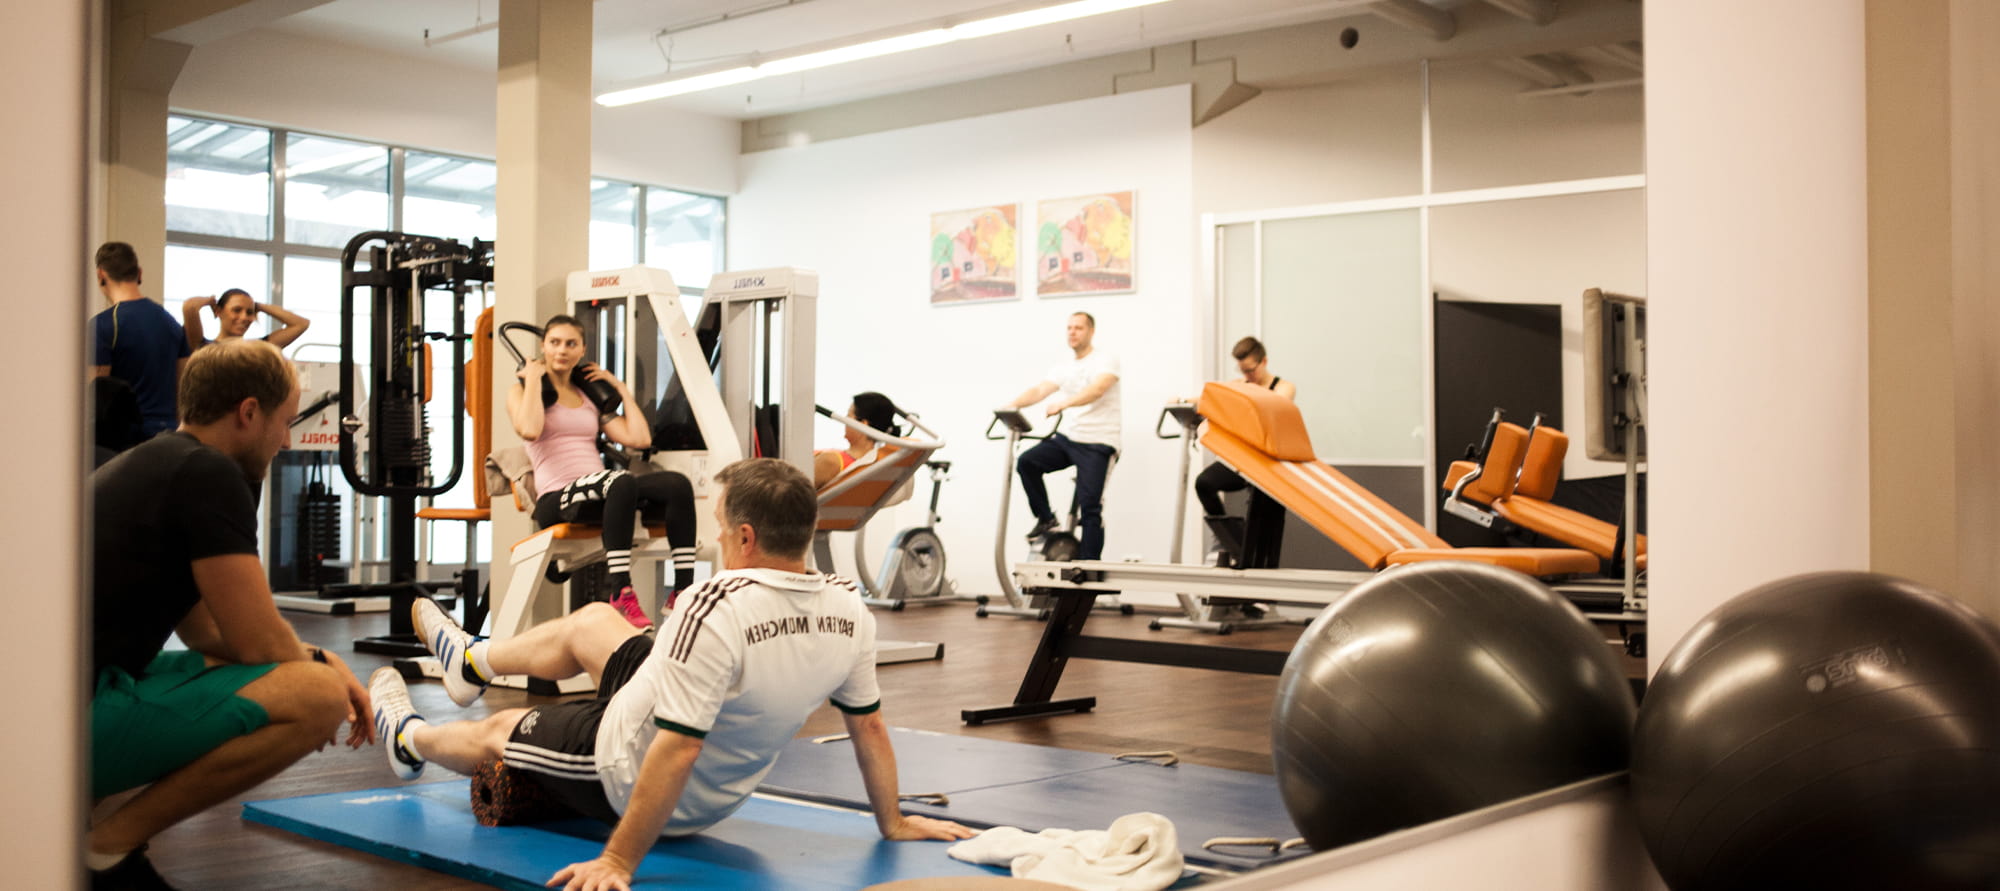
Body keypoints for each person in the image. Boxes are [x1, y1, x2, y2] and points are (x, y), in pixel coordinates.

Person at [369, 458, 973, 891]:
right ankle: (473, 660)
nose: (712, 536)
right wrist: (890, 821)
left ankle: (407, 740)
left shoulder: (714, 603)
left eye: (717, 525)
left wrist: (618, 862)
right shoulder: (848, 606)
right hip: (707, 782)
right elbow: (869, 730)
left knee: (500, 728)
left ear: (745, 535)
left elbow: (679, 749)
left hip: (621, 768)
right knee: (596, 622)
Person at [88, 339, 373, 891]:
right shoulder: (206, 473)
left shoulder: (163, 461)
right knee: (314, 696)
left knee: (287, 673)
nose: (287, 440)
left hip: (58, 706)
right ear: (248, 412)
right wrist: (325, 669)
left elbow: (207, 632)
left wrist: (312, 656)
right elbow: (259, 643)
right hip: (66, 720)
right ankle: (105, 850)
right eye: (285, 422)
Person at [510, 314, 697, 628]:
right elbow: (529, 429)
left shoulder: (587, 398)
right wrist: (531, 379)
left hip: (605, 489)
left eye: (571, 344)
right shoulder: (521, 392)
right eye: (554, 342)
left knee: (677, 484)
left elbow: (639, 438)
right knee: (620, 481)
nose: (562, 350)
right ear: (543, 346)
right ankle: (621, 591)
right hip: (557, 498)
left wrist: (619, 388)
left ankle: (682, 590)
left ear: (582, 350)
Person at [1004, 311, 1121, 561]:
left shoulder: (1105, 360)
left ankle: (1089, 568)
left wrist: (1065, 403)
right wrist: (1011, 406)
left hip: (1099, 442)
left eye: (1078, 328)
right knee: (1027, 462)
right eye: (1069, 328)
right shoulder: (1064, 366)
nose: (1072, 332)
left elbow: (1098, 390)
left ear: (1091, 331)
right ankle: (1046, 519)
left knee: (1089, 506)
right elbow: (1040, 390)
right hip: (1069, 437)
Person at [91, 242, 192, 439]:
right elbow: (183, 388)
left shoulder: (103, 326)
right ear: (139, 273)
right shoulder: (170, 323)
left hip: (123, 442)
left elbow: (96, 396)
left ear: (101, 275)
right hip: (167, 437)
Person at [1194, 336, 1297, 521]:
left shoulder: (1284, 387)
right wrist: (1182, 400)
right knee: (1204, 483)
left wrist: (1237, 396)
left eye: (1250, 370)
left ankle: (1249, 545)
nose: (1248, 376)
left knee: (1263, 513)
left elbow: (1273, 405)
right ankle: (1228, 537)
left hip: (1268, 463)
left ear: (1263, 362)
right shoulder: (1239, 385)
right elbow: (1208, 397)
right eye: (1243, 371)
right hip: (1242, 459)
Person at [812, 391, 900, 490]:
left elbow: (794, 494)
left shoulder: (832, 461)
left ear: (862, 424)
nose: (845, 420)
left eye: (848, 416)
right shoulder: (874, 468)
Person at [181, 288, 312, 352]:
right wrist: (209, 301)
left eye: (249, 312)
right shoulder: (202, 346)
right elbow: (190, 307)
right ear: (218, 312)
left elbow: (301, 324)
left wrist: (259, 306)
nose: (244, 317)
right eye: (237, 310)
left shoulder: (258, 349)